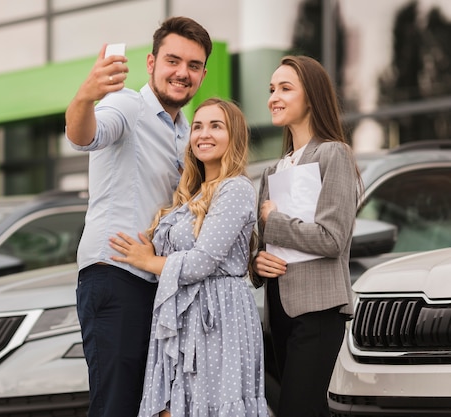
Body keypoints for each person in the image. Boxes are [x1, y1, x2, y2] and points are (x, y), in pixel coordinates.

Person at [64, 17, 212, 417]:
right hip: (116, 275)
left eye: (194, 65)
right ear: (150, 63)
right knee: (117, 405)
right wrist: (85, 97)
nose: (182, 72)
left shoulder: (188, 132)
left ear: (202, 73)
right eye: (173, 60)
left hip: (159, 283)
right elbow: (84, 137)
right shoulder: (127, 103)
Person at [110, 98, 269, 417]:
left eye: (216, 126)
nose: (203, 134)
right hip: (183, 313)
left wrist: (146, 261)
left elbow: (201, 262)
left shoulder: (235, 188)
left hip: (219, 315)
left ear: (234, 137)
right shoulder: (191, 194)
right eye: (197, 126)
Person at [251, 55, 361, 417]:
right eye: (271, 89)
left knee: (297, 410)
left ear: (311, 97)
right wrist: (257, 262)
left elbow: (333, 239)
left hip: (318, 311)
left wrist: (276, 220)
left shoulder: (334, 154)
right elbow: (257, 246)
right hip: (279, 310)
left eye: (285, 88)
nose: (273, 97)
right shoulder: (273, 169)